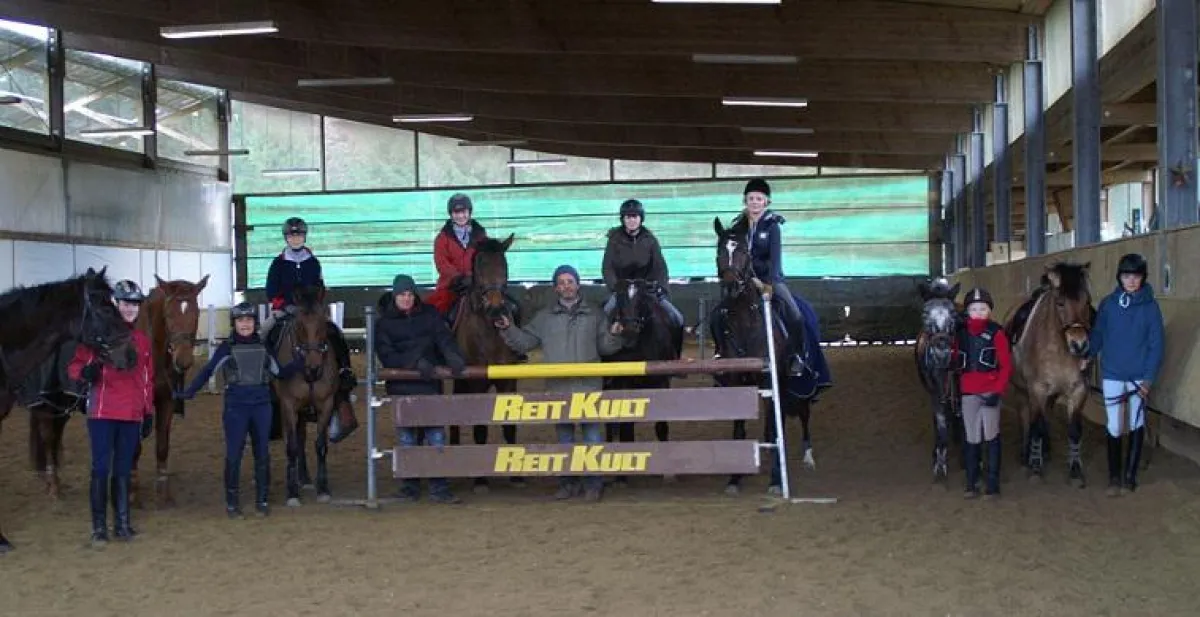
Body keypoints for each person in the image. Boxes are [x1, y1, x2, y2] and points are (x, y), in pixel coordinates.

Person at [495, 265, 624, 502]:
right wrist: (509, 329)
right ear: (556, 288)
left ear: (578, 284)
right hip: (558, 388)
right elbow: (525, 342)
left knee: (592, 438)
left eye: (570, 281)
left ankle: (593, 483)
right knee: (565, 440)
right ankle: (568, 483)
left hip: (589, 387)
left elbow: (605, 346)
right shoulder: (544, 317)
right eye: (561, 282)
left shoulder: (595, 314)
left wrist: (615, 334)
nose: (566, 286)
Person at [174, 302, 303, 518]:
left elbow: (278, 372)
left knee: (262, 453)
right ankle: (232, 502)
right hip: (236, 408)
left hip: (262, 407)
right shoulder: (227, 348)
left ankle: (262, 499)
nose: (245, 324)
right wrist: (189, 392)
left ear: (255, 323)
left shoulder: (263, 346)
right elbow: (208, 370)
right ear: (235, 323)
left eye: (249, 320)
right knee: (234, 454)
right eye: (241, 320)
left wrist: (298, 363)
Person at [67, 279, 154, 546]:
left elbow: (147, 378)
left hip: (131, 414)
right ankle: (99, 528)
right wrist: (85, 373)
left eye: (134, 305)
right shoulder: (97, 336)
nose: (130, 309)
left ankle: (122, 524)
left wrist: (148, 410)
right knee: (101, 469)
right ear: (115, 304)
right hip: (103, 413)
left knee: (123, 469)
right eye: (126, 303)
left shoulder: (142, 340)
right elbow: (73, 367)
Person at [261, 216, 358, 439]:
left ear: (304, 237)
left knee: (335, 332)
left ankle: (344, 371)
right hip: (286, 310)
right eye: (292, 235)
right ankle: (265, 378)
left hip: (311, 311)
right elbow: (271, 290)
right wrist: (285, 306)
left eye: (299, 235)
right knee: (264, 332)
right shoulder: (278, 263)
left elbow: (320, 286)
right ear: (286, 238)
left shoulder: (313, 262)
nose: (295, 239)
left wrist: (313, 306)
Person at [375, 274, 468, 504]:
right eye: (402, 295)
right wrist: (415, 362)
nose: (406, 299)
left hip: (429, 385)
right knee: (407, 439)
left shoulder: (430, 315)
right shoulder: (384, 324)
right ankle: (410, 485)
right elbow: (387, 355)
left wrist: (453, 356)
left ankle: (439, 485)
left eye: (409, 294)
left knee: (435, 435)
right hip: (402, 387)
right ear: (394, 296)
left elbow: (443, 338)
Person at [711, 178, 811, 375]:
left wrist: (769, 283)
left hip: (769, 280)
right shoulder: (739, 226)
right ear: (745, 201)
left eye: (759, 198)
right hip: (743, 281)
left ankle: (796, 357)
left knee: (795, 315)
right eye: (751, 198)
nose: (755, 202)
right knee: (717, 315)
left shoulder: (772, 226)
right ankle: (721, 352)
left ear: (766, 202)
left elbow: (775, 259)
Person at [1089, 252, 1165, 495]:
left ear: (1143, 278)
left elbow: (1157, 344)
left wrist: (1148, 378)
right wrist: (1087, 356)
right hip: (1112, 372)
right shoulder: (1108, 305)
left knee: (1135, 421)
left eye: (1136, 276)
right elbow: (1099, 334)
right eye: (1127, 276)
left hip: (1138, 376)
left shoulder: (1151, 308)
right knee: (1113, 424)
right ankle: (1114, 476)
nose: (1131, 280)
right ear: (1120, 278)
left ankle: (1129, 476)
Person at [427, 193, 522, 326]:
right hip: (452, 286)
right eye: (456, 212)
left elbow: (487, 260)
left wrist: (477, 278)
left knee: (514, 307)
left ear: (469, 212)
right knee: (436, 315)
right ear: (451, 214)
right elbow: (442, 264)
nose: (460, 216)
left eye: (464, 212)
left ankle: (515, 342)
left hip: (478, 285)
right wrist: (458, 277)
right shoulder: (442, 239)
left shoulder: (480, 235)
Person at [954, 287, 1012, 500]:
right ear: (968, 311)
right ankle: (971, 482)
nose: (978, 312)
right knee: (971, 437)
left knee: (991, 436)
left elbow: (1005, 365)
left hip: (989, 392)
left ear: (989, 311)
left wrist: (998, 390)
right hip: (968, 391)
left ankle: (993, 484)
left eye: (983, 309)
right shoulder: (959, 334)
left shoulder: (996, 333)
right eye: (974, 309)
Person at [601, 198, 685, 328]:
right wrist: (615, 287)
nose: (631, 221)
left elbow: (660, 268)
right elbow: (607, 267)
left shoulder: (650, 240)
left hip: (646, 288)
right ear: (622, 219)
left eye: (635, 217)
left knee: (677, 318)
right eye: (628, 217)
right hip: (622, 290)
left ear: (641, 218)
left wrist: (660, 287)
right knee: (604, 316)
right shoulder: (614, 240)